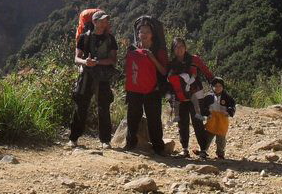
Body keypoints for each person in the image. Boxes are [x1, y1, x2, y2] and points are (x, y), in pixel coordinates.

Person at [68, 10, 118, 149]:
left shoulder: (110, 39)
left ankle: (105, 140)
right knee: (81, 106)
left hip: (102, 77)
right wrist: (86, 63)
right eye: (101, 20)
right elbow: (77, 58)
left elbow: (113, 60)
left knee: (104, 107)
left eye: (105, 20)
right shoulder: (84, 37)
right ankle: (74, 138)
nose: (104, 23)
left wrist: (95, 62)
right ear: (94, 22)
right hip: (87, 75)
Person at [123, 15, 168, 155]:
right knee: (132, 118)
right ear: (138, 34)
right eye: (141, 32)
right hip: (135, 90)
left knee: (154, 119)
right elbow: (128, 68)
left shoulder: (159, 50)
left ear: (152, 34)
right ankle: (130, 144)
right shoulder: (132, 49)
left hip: (153, 89)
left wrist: (152, 57)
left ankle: (158, 147)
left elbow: (164, 71)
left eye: (147, 31)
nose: (144, 34)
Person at [166, 37, 214, 157]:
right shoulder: (171, 64)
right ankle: (185, 149)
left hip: (196, 96)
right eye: (176, 46)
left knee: (197, 122)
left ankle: (203, 149)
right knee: (182, 123)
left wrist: (216, 86)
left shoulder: (194, 59)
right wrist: (170, 98)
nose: (179, 49)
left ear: (185, 47)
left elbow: (207, 73)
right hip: (179, 98)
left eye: (181, 46)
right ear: (173, 49)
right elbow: (168, 82)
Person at [198, 77, 236, 159]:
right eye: (215, 86)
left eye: (220, 86)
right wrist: (207, 113)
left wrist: (229, 111)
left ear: (223, 87)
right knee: (207, 136)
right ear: (212, 87)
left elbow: (232, 106)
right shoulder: (208, 97)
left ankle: (220, 153)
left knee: (221, 138)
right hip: (212, 119)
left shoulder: (227, 97)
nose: (218, 88)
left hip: (222, 120)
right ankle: (203, 151)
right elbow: (202, 107)